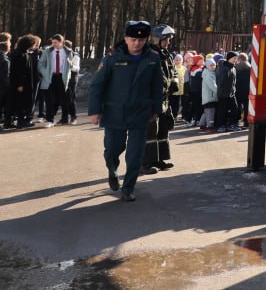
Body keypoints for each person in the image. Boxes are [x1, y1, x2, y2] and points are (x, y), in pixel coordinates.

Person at [87, 21, 164, 202]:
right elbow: (97, 85)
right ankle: (112, 170)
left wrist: (156, 109)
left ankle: (128, 187)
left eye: (141, 39)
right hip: (115, 111)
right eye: (133, 39)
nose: (137, 43)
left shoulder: (153, 58)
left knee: (135, 153)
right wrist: (95, 110)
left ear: (146, 40)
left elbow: (157, 86)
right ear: (126, 39)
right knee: (113, 149)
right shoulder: (112, 58)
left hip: (140, 112)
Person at [142, 24, 178, 172]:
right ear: (157, 39)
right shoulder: (149, 55)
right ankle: (145, 164)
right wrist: (165, 85)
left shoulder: (166, 54)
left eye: (169, 39)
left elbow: (173, 72)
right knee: (149, 132)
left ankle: (159, 159)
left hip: (164, 100)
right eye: (165, 39)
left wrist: (174, 82)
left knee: (162, 130)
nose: (168, 42)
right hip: (151, 101)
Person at [37, 34, 76, 125]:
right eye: (52, 42)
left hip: (63, 77)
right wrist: (45, 73)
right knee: (49, 99)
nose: (53, 44)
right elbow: (40, 64)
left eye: (56, 42)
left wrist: (70, 66)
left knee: (64, 99)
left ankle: (71, 116)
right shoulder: (47, 51)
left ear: (62, 42)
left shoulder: (68, 52)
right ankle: (50, 120)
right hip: (50, 77)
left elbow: (72, 66)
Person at [6, 34, 40, 128]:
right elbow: (19, 71)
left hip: (21, 82)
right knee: (21, 102)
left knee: (18, 102)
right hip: (21, 83)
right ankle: (20, 122)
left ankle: (13, 121)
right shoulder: (21, 55)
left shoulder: (21, 53)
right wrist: (20, 84)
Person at [215, 51, 238, 132]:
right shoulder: (222, 68)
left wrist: (233, 90)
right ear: (229, 58)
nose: (235, 60)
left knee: (234, 109)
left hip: (231, 93)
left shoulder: (233, 68)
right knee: (222, 110)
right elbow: (220, 81)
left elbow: (234, 82)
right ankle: (221, 125)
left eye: (236, 58)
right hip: (223, 93)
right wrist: (222, 92)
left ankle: (232, 124)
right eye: (234, 58)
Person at [200, 54, 220, 130]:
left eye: (214, 65)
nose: (213, 67)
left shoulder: (210, 73)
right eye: (211, 65)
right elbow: (212, 86)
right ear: (207, 66)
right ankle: (210, 125)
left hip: (207, 97)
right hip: (210, 97)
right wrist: (218, 91)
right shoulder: (209, 75)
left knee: (206, 112)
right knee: (211, 112)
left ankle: (202, 124)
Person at [234, 53, 251, 127]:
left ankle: (236, 121)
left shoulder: (235, 67)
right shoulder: (250, 68)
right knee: (247, 106)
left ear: (239, 59)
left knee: (237, 106)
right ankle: (246, 122)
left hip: (237, 89)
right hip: (247, 90)